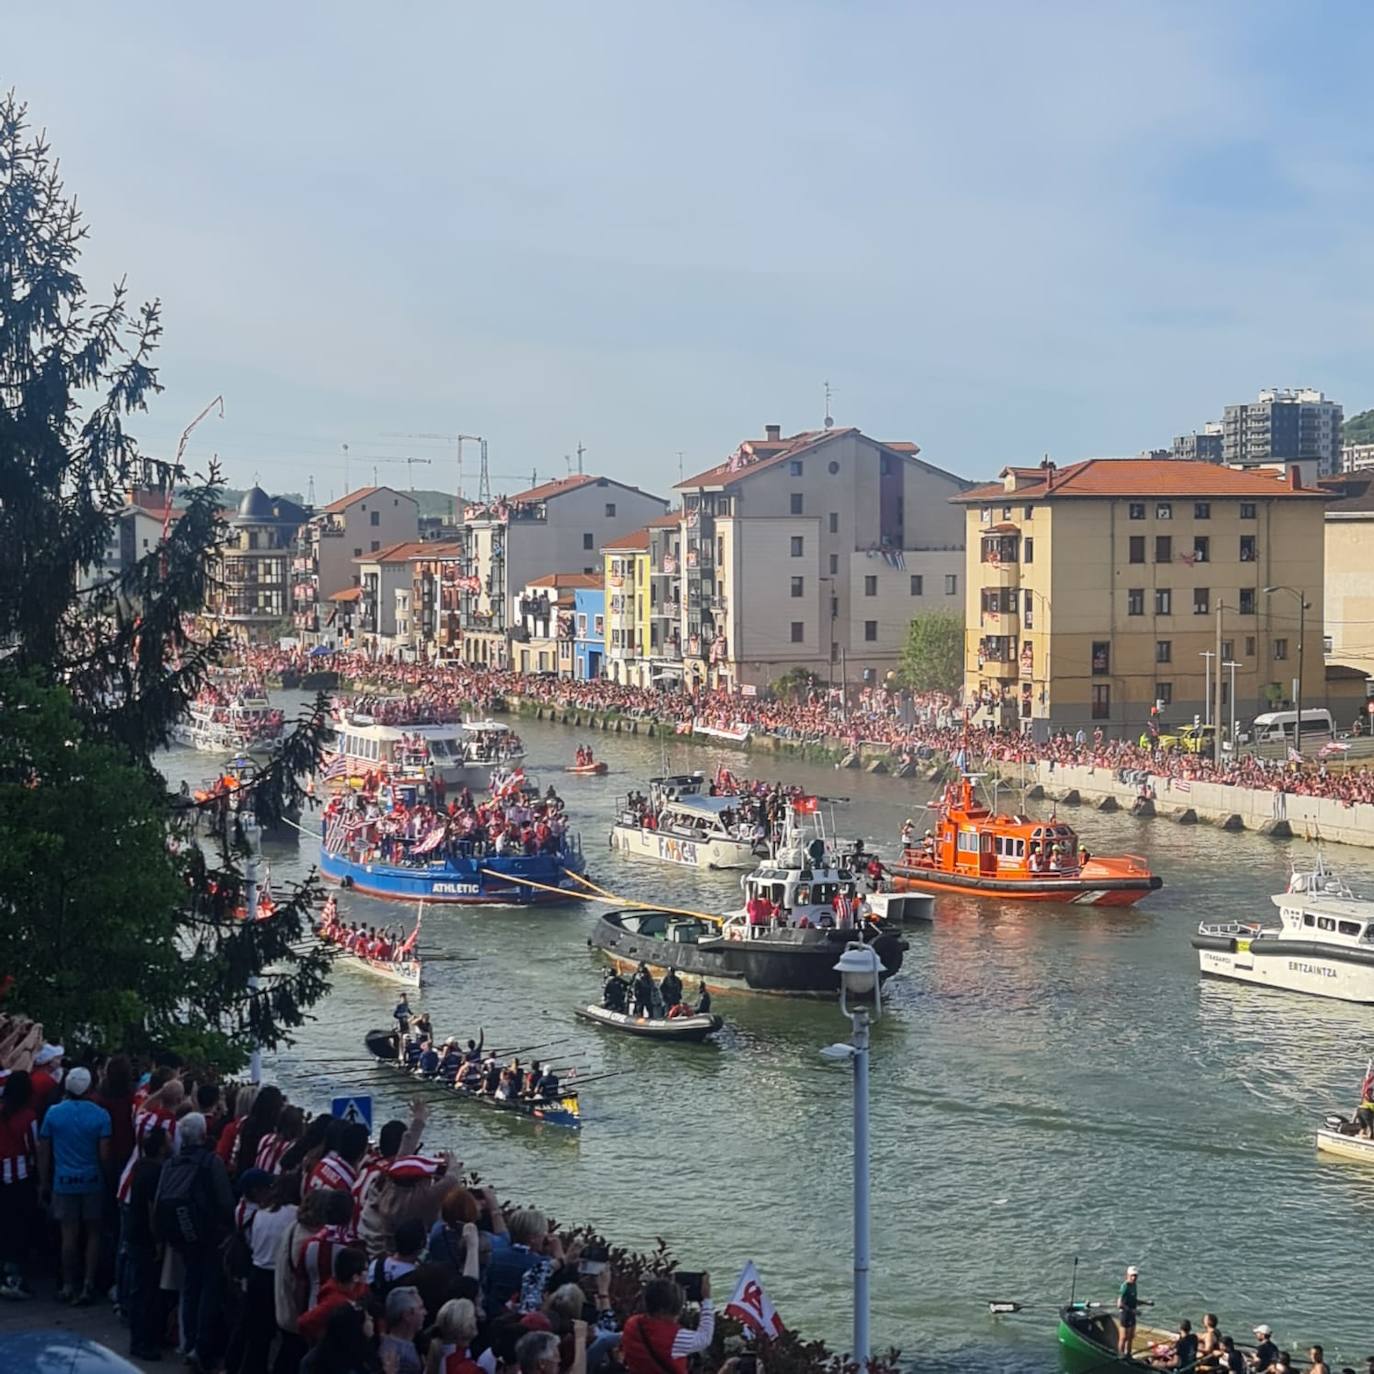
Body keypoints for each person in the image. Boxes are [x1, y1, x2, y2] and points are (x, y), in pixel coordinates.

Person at [157, 1111, 236, 1373]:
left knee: (190, 1286)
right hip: (209, 1235)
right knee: (209, 1290)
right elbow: (225, 1202)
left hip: (182, 1235)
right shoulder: (210, 1162)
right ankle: (201, 1347)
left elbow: (160, 1201)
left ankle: (187, 1341)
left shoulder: (172, 1163)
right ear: (203, 1134)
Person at [36, 1065, 111, 1305]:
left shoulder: (54, 1113)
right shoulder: (101, 1115)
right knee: (93, 1234)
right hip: (92, 1180)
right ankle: (88, 1283)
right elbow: (105, 1155)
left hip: (64, 1180)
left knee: (68, 1234)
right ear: (90, 1087)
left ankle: (68, 1284)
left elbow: (44, 1152)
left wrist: (43, 1182)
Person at [125, 1123, 170, 1360]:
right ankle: (142, 1341)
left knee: (141, 1289)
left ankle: (145, 1336)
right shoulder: (154, 1173)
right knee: (146, 1291)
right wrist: (158, 1241)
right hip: (145, 1239)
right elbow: (153, 1210)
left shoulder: (141, 1167)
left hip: (135, 1234)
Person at [621, 1275, 714, 1374]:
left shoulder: (632, 1323)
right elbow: (705, 1338)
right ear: (666, 1311)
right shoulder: (674, 1338)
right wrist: (706, 1301)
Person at [0, 1070, 37, 1299]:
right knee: (19, 1227)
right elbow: (33, 1146)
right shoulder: (28, 1117)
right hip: (21, 1176)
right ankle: (15, 1276)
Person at [300, 1299, 382, 1374]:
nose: (371, 1319)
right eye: (367, 1318)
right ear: (355, 1327)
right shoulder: (316, 1362)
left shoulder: (367, 1351)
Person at [381, 1285, 426, 1374]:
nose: (425, 1312)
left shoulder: (389, 1343)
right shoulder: (403, 1359)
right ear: (407, 1315)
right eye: (421, 1308)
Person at [1116, 1264, 1140, 1357]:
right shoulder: (1125, 1286)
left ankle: (1128, 1355)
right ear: (1127, 1275)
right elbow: (1119, 1304)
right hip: (1125, 1314)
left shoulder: (1135, 1286)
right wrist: (1131, 1310)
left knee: (1131, 1337)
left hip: (1132, 1314)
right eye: (1132, 1275)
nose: (1134, 1278)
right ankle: (1120, 1355)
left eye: (1135, 1276)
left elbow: (1134, 1300)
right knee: (1123, 1337)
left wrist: (1146, 1303)